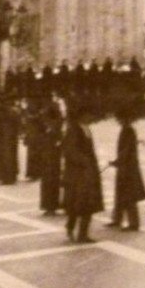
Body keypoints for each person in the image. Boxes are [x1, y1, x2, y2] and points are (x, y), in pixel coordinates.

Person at [62, 104, 104, 243]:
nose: (91, 117)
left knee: (86, 204)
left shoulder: (86, 129)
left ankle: (81, 233)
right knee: (79, 204)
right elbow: (70, 151)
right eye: (89, 114)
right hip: (77, 174)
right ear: (83, 115)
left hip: (87, 173)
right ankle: (71, 228)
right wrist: (85, 161)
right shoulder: (74, 130)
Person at [106, 107, 145, 230]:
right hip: (125, 167)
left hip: (128, 169)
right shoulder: (126, 130)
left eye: (120, 118)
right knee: (120, 195)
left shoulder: (128, 131)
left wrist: (117, 162)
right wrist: (118, 162)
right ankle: (117, 219)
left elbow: (126, 151)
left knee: (129, 196)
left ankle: (133, 223)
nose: (119, 120)